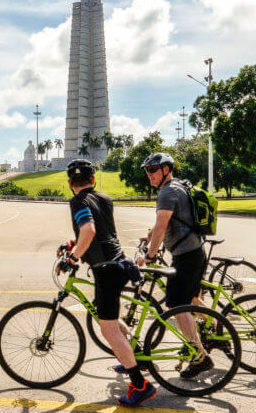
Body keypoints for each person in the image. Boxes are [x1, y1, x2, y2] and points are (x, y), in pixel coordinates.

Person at [55, 159, 156, 407]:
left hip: (106, 269)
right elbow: (99, 232)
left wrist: (73, 258)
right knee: (107, 315)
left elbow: (88, 231)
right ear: (94, 180)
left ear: (70, 183)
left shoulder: (78, 200)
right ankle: (135, 354)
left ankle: (140, 384)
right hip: (119, 262)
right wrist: (72, 244)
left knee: (108, 329)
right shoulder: (103, 198)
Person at [137, 152, 212, 378]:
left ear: (166, 170)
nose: (149, 174)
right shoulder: (177, 186)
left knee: (176, 305)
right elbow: (161, 224)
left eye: (153, 170)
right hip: (195, 252)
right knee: (190, 300)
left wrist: (149, 256)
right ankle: (215, 327)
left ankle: (199, 355)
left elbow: (162, 226)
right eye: (147, 170)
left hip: (186, 257)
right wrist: (148, 238)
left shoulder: (168, 192)